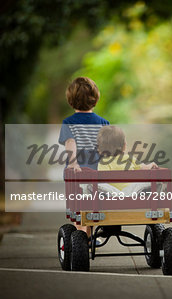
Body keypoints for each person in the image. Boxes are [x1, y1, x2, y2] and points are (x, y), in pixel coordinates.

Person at [58, 77, 109, 236]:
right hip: (97, 174)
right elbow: (106, 150)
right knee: (94, 206)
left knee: (78, 208)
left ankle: (81, 235)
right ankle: (88, 236)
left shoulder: (68, 123)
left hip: (78, 175)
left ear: (71, 101)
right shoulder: (103, 123)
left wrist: (73, 163)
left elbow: (70, 143)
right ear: (95, 99)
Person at [96, 125, 159, 191]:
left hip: (114, 194)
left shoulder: (103, 163)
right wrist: (150, 165)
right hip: (133, 192)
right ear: (124, 145)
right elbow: (142, 167)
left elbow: (103, 180)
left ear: (100, 148)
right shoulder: (129, 158)